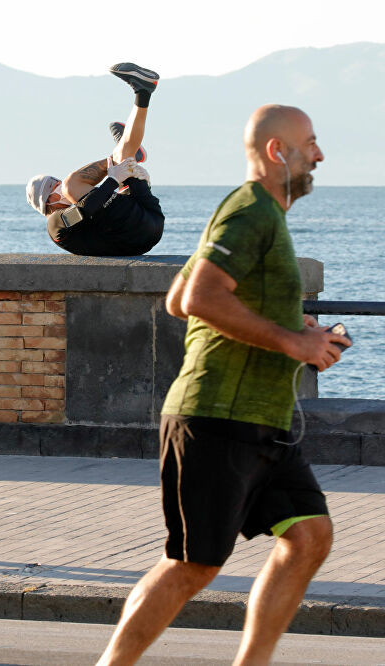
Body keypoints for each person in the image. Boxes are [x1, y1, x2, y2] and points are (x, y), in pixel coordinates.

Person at [97, 105, 350, 666]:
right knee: (193, 563)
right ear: (277, 151)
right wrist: (294, 343)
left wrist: (298, 329)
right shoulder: (250, 211)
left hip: (263, 423)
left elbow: (176, 294)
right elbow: (197, 300)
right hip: (216, 417)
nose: (320, 155)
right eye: (310, 143)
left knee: (309, 537)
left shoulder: (260, 216)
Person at [26, 62, 164, 256]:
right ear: (48, 202)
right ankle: (122, 150)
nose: (60, 187)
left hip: (148, 221)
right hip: (138, 231)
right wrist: (112, 180)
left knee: (125, 163)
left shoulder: (93, 218)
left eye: (57, 182)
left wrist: (141, 183)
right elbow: (82, 212)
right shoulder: (54, 225)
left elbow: (104, 209)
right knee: (73, 184)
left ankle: (142, 97)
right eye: (54, 187)